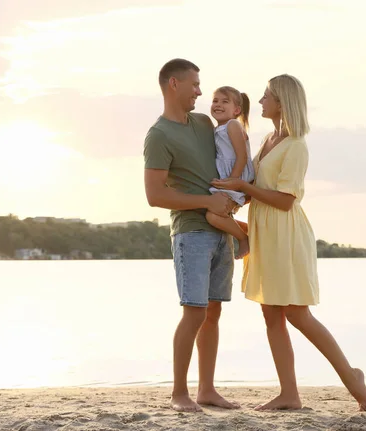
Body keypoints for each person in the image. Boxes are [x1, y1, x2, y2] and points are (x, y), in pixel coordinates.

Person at [211, 74, 366, 412]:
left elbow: (285, 200)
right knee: (271, 316)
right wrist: (232, 196)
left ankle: (350, 375)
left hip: (285, 234)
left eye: (266, 96)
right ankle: (289, 394)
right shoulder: (269, 138)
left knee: (298, 314)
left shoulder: (296, 144)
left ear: (282, 102)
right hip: (265, 232)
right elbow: (255, 188)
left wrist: (243, 184)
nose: (260, 101)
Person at [143, 58, 240, 412]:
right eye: (195, 84)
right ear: (174, 84)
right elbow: (155, 196)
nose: (201, 91)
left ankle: (207, 390)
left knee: (213, 313)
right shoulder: (158, 135)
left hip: (220, 232)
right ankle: (179, 393)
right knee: (194, 313)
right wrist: (208, 202)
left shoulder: (202, 123)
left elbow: (233, 145)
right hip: (191, 235)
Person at [206, 86, 255, 259]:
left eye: (224, 101)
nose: (218, 105)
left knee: (213, 216)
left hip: (238, 176)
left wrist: (232, 181)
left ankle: (243, 238)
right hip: (230, 178)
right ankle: (248, 230)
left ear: (236, 110)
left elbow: (241, 156)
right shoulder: (218, 128)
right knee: (217, 213)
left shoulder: (233, 125)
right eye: (215, 101)